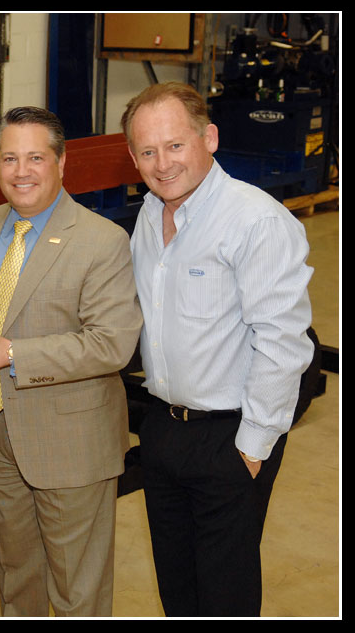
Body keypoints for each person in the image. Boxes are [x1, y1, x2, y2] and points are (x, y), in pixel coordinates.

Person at [122, 81, 313, 616]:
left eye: (175, 145)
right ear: (133, 157)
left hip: (230, 437)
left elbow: (283, 342)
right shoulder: (149, 214)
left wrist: (252, 448)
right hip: (163, 429)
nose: (163, 164)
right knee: (178, 590)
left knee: (225, 596)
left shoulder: (255, 221)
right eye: (147, 151)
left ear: (209, 137)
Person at [0, 106, 142, 616]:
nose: (21, 171)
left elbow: (111, 343)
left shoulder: (102, 240)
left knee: (76, 586)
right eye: (9, 158)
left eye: (35, 157)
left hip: (71, 442)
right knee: (17, 571)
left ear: (62, 162)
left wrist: (12, 353)